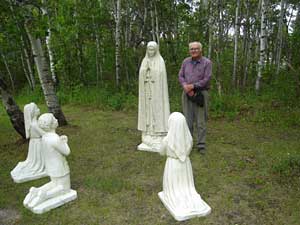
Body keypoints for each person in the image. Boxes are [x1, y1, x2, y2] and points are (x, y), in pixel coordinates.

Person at [158, 112, 211, 221]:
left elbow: (161, 152)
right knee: (186, 186)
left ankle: (173, 194)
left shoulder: (167, 140)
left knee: (174, 189)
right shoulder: (189, 139)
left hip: (172, 166)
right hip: (185, 165)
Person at [24, 113, 73, 210]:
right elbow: (67, 151)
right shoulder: (55, 138)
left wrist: (61, 140)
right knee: (65, 188)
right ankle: (45, 195)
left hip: (50, 167)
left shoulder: (45, 137)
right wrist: (65, 141)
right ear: (51, 124)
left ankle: (37, 190)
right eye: (54, 119)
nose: (56, 119)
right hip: (60, 167)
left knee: (55, 183)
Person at [178, 41, 212, 154]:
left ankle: (201, 145)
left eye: (196, 49)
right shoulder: (185, 62)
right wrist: (185, 86)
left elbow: (206, 79)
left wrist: (193, 86)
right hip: (186, 93)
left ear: (200, 50)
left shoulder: (207, 63)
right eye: (192, 49)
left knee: (201, 121)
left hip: (201, 94)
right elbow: (181, 75)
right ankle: (189, 143)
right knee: (187, 120)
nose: (194, 51)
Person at [137, 41, 170, 151]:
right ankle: (148, 133)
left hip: (157, 93)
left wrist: (152, 70)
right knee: (148, 112)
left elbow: (160, 75)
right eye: (149, 49)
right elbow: (141, 73)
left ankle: (158, 133)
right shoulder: (144, 60)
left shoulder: (160, 61)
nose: (150, 52)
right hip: (147, 92)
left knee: (157, 111)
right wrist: (144, 70)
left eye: (152, 49)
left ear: (156, 50)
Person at [11, 103, 46, 183]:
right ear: (32, 113)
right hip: (38, 143)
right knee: (38, 159)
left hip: (33, 143)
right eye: (36, 109)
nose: (39, 109)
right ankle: (42, 166)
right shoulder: (35, 124)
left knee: (36, 158)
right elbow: (43, 134)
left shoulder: (32, 124)